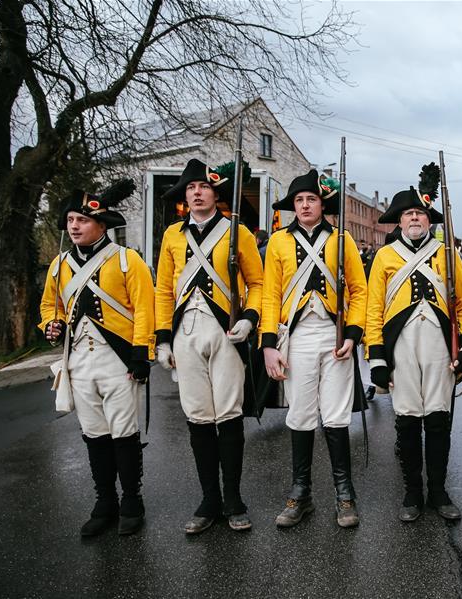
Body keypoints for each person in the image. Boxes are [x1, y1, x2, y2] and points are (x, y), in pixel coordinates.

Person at [366, 163, 462, 522]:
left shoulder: (445, 253)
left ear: (429, 219)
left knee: (438, 419)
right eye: (408, 213)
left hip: (438, 345)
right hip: (400, 347)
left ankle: (439, 490)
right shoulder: (384, 257)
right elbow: (373, 311)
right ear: (399, 221)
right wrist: (377, 359)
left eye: (420, 213)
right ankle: (413, 492)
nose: (414, 218)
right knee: (408, 420)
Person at [154, 158, 264, 534]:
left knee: (228, 415)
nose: (197, 192)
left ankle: (233, 498)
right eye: (190, 188)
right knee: (199, 416)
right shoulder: (172, 236)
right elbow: (164, 291)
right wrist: (162, 339)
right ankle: (208, 499)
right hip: (185, 331)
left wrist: (249, 318)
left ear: (216, 193)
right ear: (185, 197)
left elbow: (258, 283)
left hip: (225, 331)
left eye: (203, 186)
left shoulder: (237, 232)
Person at [39, 179, 154, 536]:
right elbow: (50, 306)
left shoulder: (125, 260)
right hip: (79, 363)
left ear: (101, 225)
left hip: (118, 360)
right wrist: (51, 324)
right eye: (71, 220)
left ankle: (132, 499)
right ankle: (105, 500)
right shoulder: (58, 266)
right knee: (94, 435)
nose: (74, 226)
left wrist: (140, 355)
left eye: (82, 220)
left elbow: (145, 309)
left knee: (123, 432)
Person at [261, 169, 368, 529]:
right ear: (293, 206)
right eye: (299, 200)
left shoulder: (342, 239)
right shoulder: (278, 242)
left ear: (322, 204)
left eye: (311, 199)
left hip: (333, 333)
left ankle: (344, 492)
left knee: (336, 416)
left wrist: (352, 333)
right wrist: (268, 345)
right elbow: (271, 294)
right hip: (297, 335)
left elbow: (359, 290)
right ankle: (300, 492)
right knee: (301, 414)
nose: (305, 205)